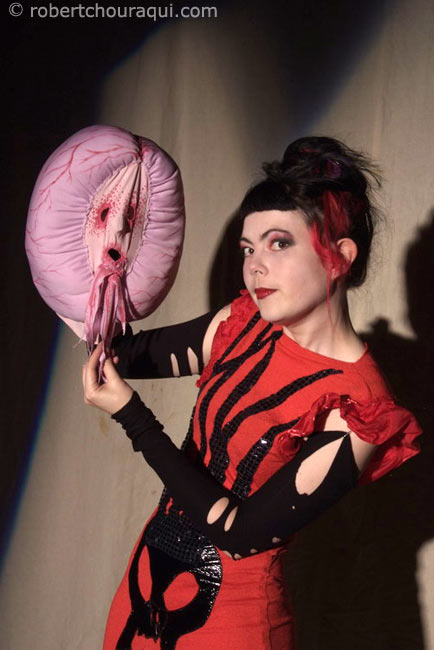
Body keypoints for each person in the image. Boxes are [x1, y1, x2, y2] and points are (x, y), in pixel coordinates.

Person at [82, 136, 422, 650]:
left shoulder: (360, 407)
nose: (255, 265)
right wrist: (95, 261)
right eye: (248, 248)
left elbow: (239, 534)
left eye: (278, 243)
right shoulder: (242, 324)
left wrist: (133, 417)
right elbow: (118, 351)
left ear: (339, 257)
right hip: (140, 590)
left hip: (230, 625)